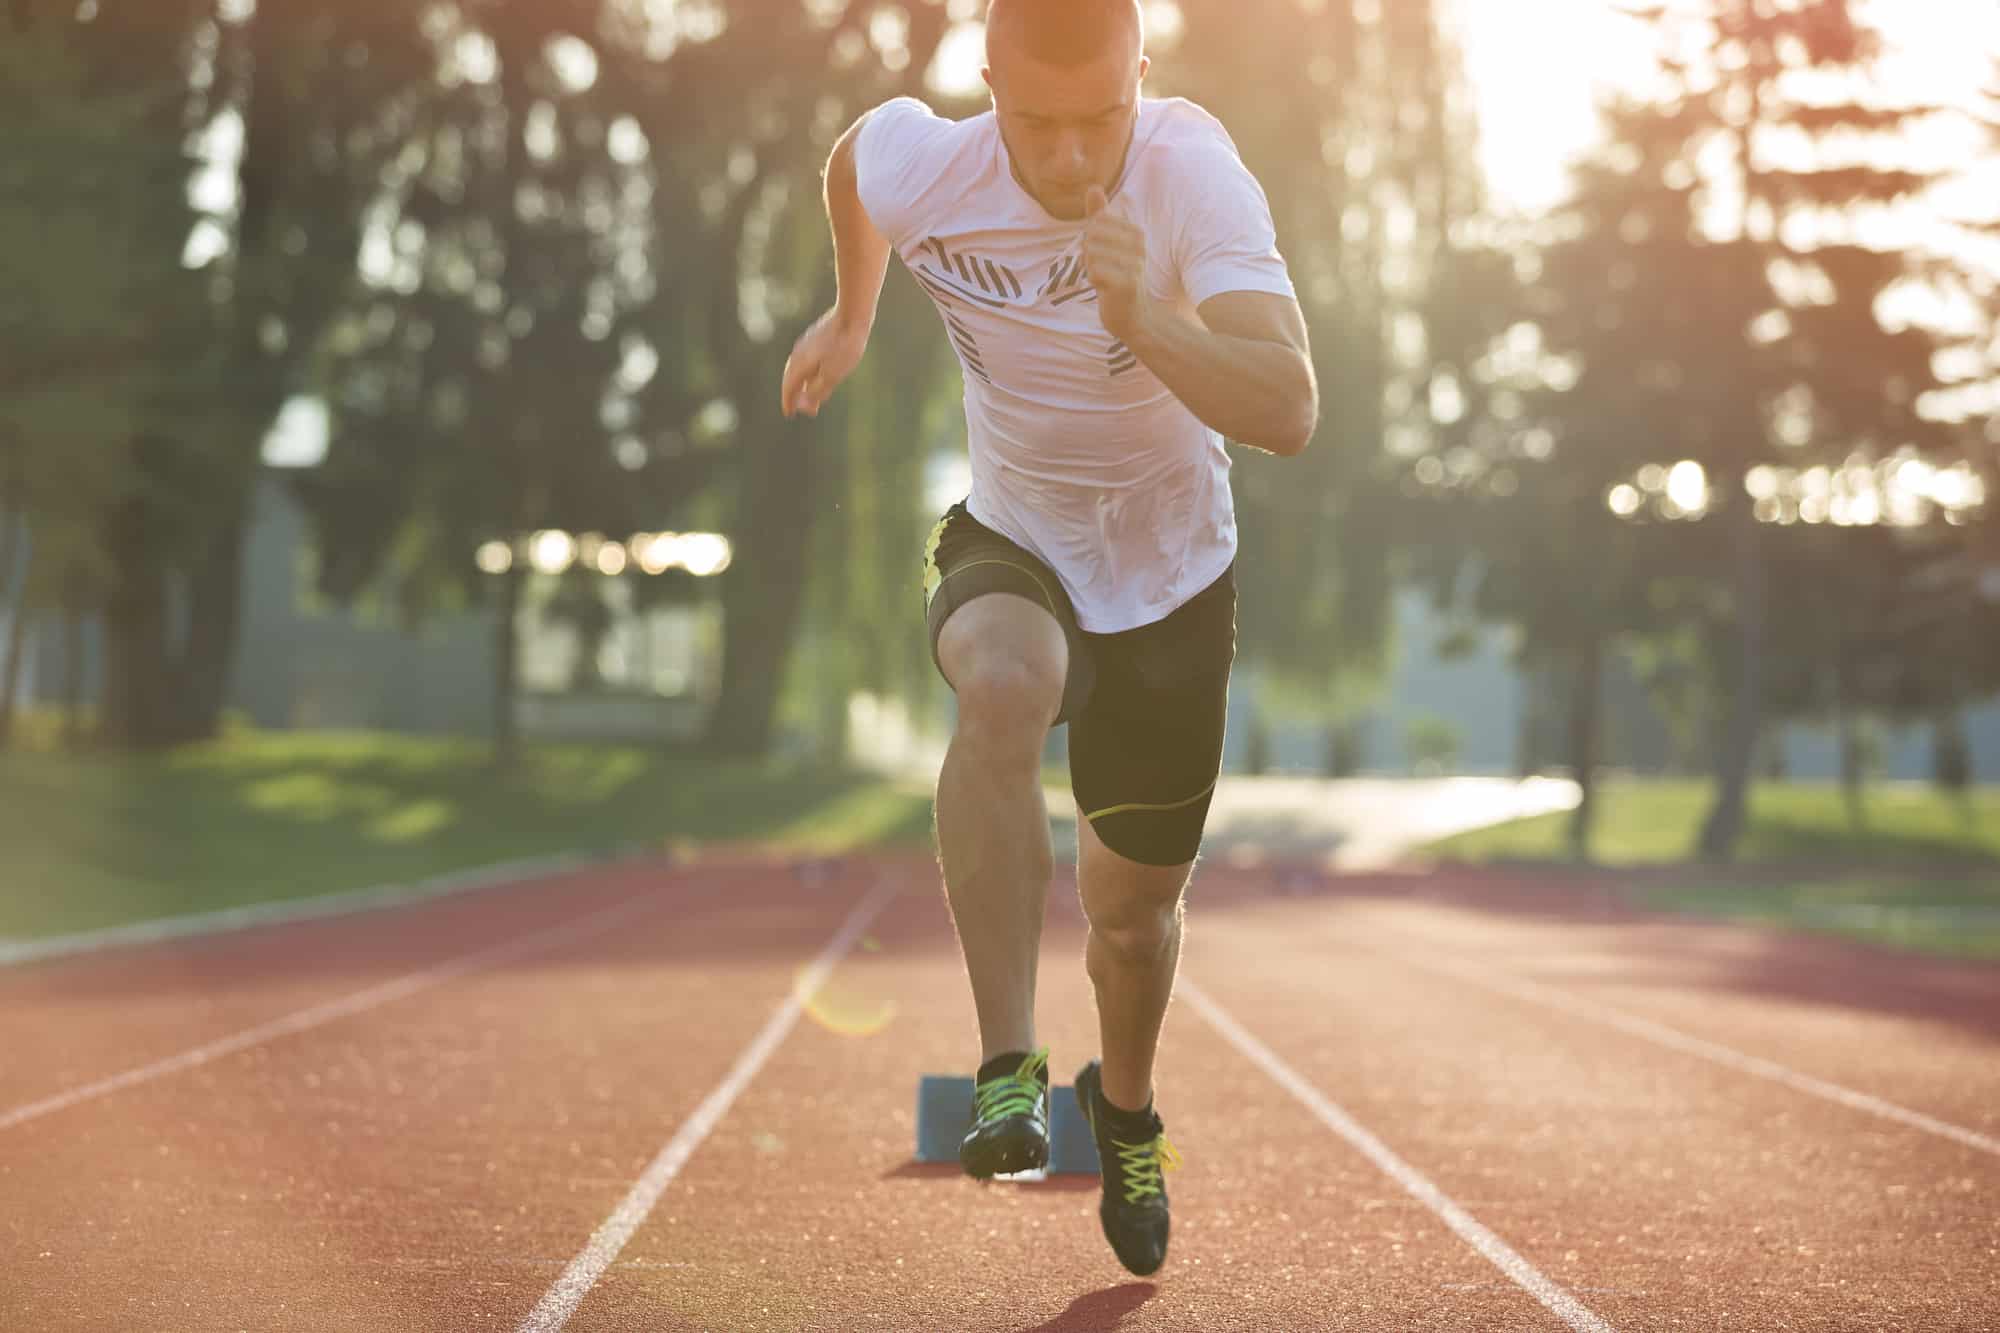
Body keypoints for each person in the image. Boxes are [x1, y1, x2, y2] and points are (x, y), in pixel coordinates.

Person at [779, 0, 1315, 1277]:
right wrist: (851, 315)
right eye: (1036, 125)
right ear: (987, 85)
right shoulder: (935, 167)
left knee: (1130, 921)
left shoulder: (1191, 173)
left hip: (1173, 575)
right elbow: (855, 154)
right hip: (1010, 533)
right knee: (1004, 682)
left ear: (1144, 78)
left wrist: (1154, 325)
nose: (1072, 160)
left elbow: (1289, 404)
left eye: (1100, 124)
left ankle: (1121, 1109)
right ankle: (1006, 1067)